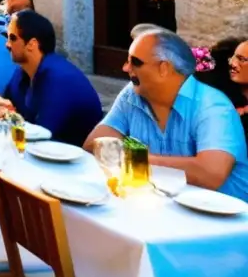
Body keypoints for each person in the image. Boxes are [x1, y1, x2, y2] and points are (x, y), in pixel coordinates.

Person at [84, 28, 248, 200]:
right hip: (167, 206)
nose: (125, 68)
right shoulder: (132, 94)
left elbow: (210, 173)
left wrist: (137, 159)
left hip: (228, 218)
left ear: (164, 68)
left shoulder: (212, 106)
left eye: (135, 62)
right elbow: (92, 145)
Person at [0, 10, 103, 146]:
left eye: (12, 38)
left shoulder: (59, 79)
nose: (7, 44)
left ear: (32, 44)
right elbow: (6, 104)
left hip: (69, 159)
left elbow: (41, 135)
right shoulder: (23, 71)